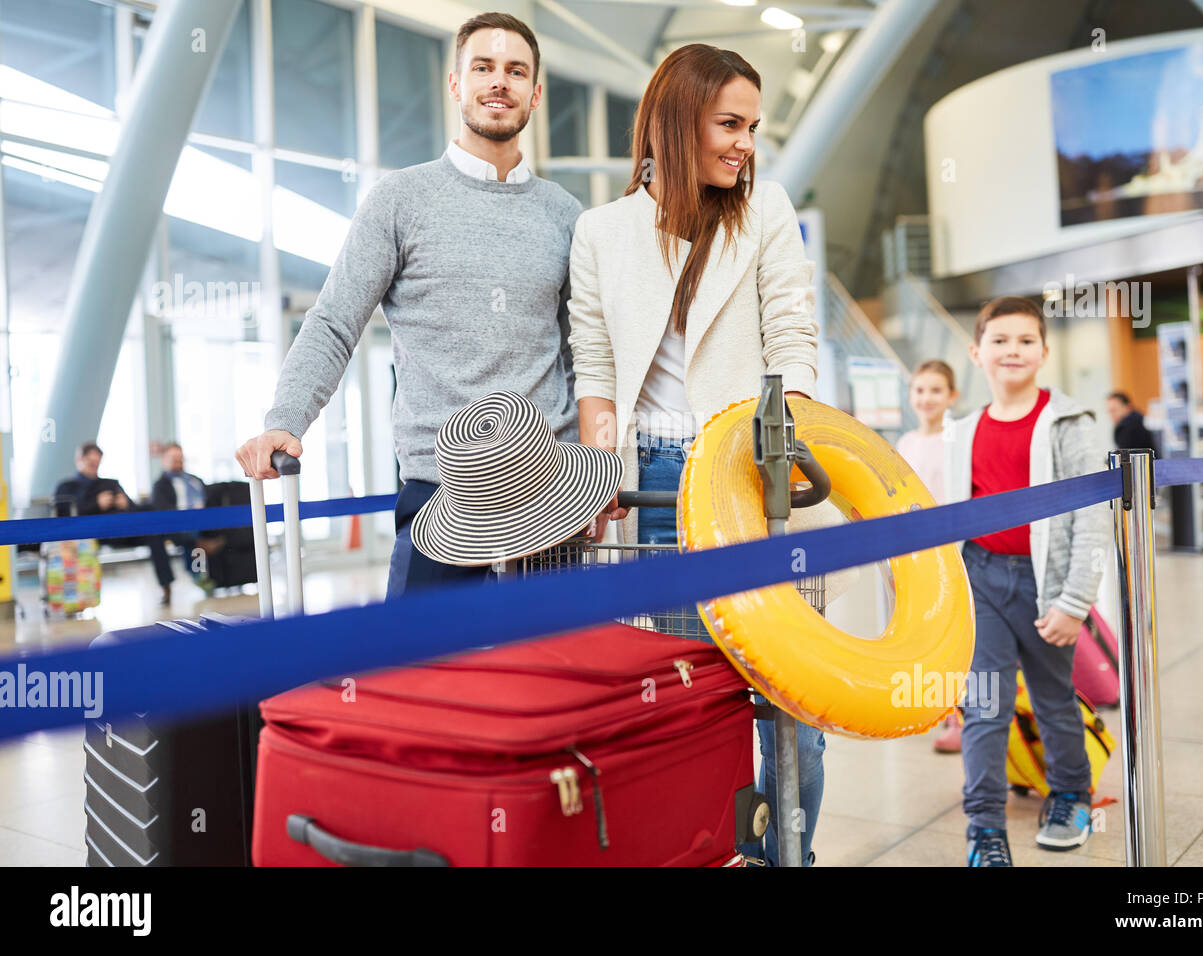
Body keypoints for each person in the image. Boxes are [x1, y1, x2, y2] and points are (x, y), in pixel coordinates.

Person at [567, 43, 825, 867]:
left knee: (790, 704)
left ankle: (787, 855)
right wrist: (603, 471)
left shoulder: (765, 213)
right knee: (696, 696)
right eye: (729, 123)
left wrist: (789, 442)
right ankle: (715, 849)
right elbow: (597, 368)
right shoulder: (602, 232)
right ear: (678, 121)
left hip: (749, 475)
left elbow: (791, 329)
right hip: (653, 486)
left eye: (753, 126)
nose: (746, 142)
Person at [235, 12, 582, 598]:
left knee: (552, 684)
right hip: (441, 493)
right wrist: (285, 420)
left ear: (535, 93)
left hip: (550, 496)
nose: (499, 82)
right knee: (417, 684)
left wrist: (598, 470)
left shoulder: (567, 215)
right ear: (455, 84)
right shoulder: (401, 199)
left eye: (515, 71)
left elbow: (583, 353)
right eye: (483, 67)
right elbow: (335, 321)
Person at [943, 296, 1108, 867]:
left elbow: (1092, 517)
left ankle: (1071, 795)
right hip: (982, 579)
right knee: (984, 706)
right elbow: (951, 515)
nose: (1011, 350)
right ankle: (984, 829)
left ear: (1044, 351)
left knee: (1053, 700)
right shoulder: (961, 431)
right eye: (999, 340)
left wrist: (1075, 602)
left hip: (1045, 585)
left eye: (1024, 341)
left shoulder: (1068, 423)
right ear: (976, 352)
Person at [895, 359, 961, 753]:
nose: (926, 398)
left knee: (956, 632)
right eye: (919, 390)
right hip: (916, 554)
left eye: (936, 390)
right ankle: (936, 706)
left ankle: (960, 718)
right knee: (927, 631)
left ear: (952, 396)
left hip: (953, 548)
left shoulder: (957, 438)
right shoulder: (905, 443)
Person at [54, 441, 178, 605]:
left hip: (121, 531)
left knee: (153, 533)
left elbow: (134, 510)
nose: (94, 468)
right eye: (91, 463)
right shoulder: (67, 487)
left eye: (97, 464)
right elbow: (64, 516)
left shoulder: (110, 483)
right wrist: (96, 504)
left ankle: (166, 586)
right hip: (92, 535)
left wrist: (126, 505)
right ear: (80, 460)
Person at [150, 443, 218, 596]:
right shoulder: (160, 485)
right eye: (173, 458)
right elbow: (163, 510)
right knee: (193, 536)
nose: (178, 462)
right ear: (164, 460)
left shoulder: (195, 480)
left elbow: (210, 499)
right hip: (177, 523)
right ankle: (198, 573)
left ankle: (212, 573)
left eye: (180, 458)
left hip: (202, 519)